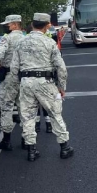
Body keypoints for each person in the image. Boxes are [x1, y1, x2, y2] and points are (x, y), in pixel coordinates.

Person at [11, 13, 75, 161]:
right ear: (47, 26)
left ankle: (31, 151)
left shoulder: (20, 42)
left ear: (33, 24)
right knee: (55, 113)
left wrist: (18, 85)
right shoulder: (49, 42)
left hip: (26, 82)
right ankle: (64, 147)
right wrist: (61, 86)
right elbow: (61, 67)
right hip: (45, 82)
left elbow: (14, 68)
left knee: (27, 117)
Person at [0, 15, 25, 151]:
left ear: (15, 24)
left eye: (9, 24)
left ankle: (6, 141)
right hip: (24, 76)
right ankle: (26, 140)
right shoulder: (26, 39)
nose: (7, 26)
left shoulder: (7, 38)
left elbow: (0, 54)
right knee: (24, 108)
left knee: (7, 107)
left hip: (9, 76)